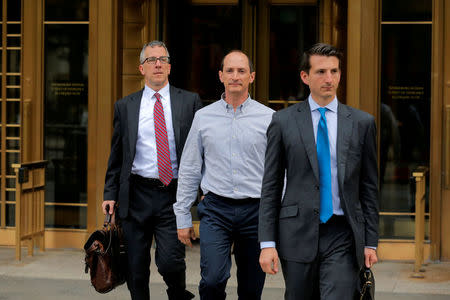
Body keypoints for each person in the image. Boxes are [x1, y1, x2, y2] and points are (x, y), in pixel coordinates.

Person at [258, 43, 379, 300]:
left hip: (343, 233)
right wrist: (267, 244)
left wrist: (370, 241)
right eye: (321, 72)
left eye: (334, 71)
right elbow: (271, 185)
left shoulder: (361, 123)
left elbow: (369, 187)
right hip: (296, 232)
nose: (329, 79)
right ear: (305, 76)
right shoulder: (283, 122)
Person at [102, 40, 202, 300]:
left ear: (169, 67)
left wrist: (202, 190)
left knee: (170, 262)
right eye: (151, 60)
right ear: (141, 68)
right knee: (136, 268)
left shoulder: (189, 102)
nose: (158, 64)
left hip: (172, 195)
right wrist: (109, 192)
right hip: (136, 194)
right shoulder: (125, 106)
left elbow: (201, 151)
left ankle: (178, 294)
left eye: (163, 59)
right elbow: (117, 154)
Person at [174, 50, 273, 300]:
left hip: (256, 212)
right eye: (229, 70)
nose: (235, 76)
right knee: (212, 281)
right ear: (221, 76)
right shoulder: (203, 118)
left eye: (241, 71)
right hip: (216, 210)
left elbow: (278, 172)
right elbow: (189, 169)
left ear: (252, 76)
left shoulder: (270, 119)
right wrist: (183, 216)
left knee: (251, 289)